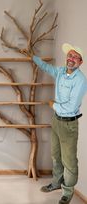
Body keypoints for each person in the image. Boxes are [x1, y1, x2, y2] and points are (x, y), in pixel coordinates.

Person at [32, 43, 87, 204]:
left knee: (69, 161)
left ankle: (67, 192)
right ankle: (56, 183)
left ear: (80, 62)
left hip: (69, 125)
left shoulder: (81, 80)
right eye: (69, 56)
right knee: (56, 156)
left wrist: (52, 105)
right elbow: (47, 68)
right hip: (56, 120)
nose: (71, 59)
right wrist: (33, 57)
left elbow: (71, 106)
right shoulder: (61, 71)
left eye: (75, 57)